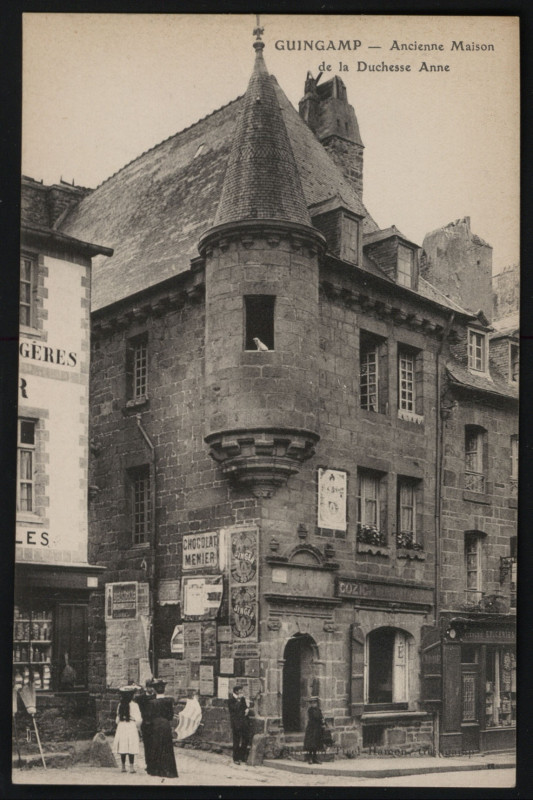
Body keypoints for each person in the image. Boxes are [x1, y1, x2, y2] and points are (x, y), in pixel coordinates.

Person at [147, 679, 178, 778]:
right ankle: (168, 770)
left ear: (155, 690)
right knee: (167, 746)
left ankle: (156, 770)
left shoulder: (151, 702)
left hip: (155, 725)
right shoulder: (168, 701)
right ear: (164, 690)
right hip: (165, 725)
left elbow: (149, 716)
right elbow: (170, 716)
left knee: (156, 746)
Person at [113, 685, 142, 773]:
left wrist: (120, 721)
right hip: (131, 726)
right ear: (131, 695)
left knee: (123, 745)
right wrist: (138, 727)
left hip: (122, 726)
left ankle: (123, 767)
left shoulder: (120, 705)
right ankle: (132, 767)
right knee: (131, 745)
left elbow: (117, 719)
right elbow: (138, 719)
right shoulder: (135, 705)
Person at [136, 679, 156, 774]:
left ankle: (155, 764)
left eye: (152, 687)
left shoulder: (156, 697)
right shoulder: (140, 698)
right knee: (147, 745)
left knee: (155, 745)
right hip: (145, 724)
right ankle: (149, 765)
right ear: (146, 687)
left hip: (155, 724)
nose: (151, 689)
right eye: (149, 687)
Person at [227, 685, 249, 765]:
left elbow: (245, 707)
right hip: (236, 723)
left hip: (243, 722)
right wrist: (239, 701)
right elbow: (234, 709)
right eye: (240, 690)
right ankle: (235, 758)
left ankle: (242, 757)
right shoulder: (231, 700)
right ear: (236, 691)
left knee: (245, 739)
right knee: (236, 741)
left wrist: (247, 709)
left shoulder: (242, 699)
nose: (241, 692)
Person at [303, 696, 324, 764]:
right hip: (311, 728)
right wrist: (320, 718)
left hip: (317, 728)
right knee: (310, 744)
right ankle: (310, 758)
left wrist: (323, 722)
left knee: (316, 743)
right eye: (312, 703)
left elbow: (321, 717)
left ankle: (315, 758)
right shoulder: (310, 710)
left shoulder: (318, 710)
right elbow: (316, 717)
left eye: (315, 703)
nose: (313, 704)